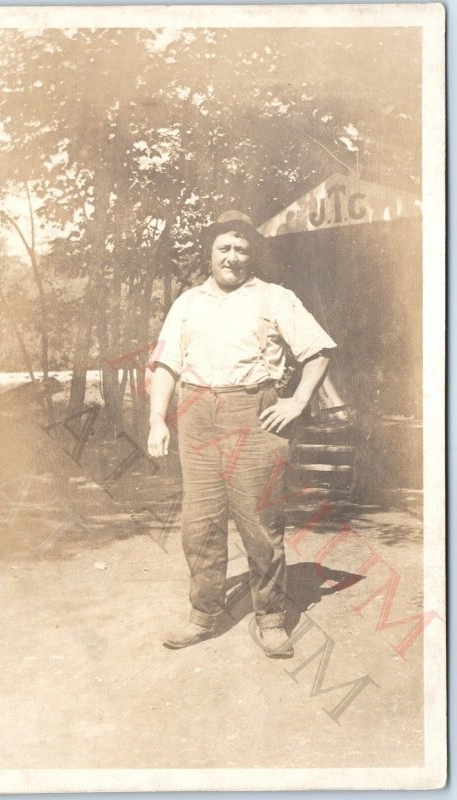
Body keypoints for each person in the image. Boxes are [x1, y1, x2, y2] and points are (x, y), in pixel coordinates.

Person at [147, 210, 337, 657]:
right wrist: (158, 418)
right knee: (200, 523)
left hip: (254, 414)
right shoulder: (188, 302)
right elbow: (166, 364)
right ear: (210, 253)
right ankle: (203, 615)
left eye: (242, 249)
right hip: (196, 416)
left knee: (259, 522)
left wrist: (297, 401)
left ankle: (271, 619)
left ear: (252, 255)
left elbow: (319, 350)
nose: (233, 257)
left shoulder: (274, 298)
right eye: (224, 248)